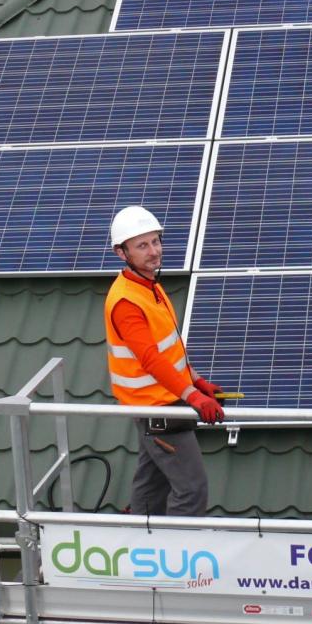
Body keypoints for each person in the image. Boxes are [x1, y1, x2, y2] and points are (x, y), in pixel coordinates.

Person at [105, 205, 224, 517]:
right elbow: (151, 360)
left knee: (151, 484)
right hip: (156, 408)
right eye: (142, 245)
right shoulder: (127, 302)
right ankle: (177, 555)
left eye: (156, 241)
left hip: (161, 402)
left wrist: (196, 379)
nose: (154, 251)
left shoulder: (149, 286)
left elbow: (170, 351)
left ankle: (141, 542)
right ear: (122, 253)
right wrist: (193, 396)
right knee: (191, 490)